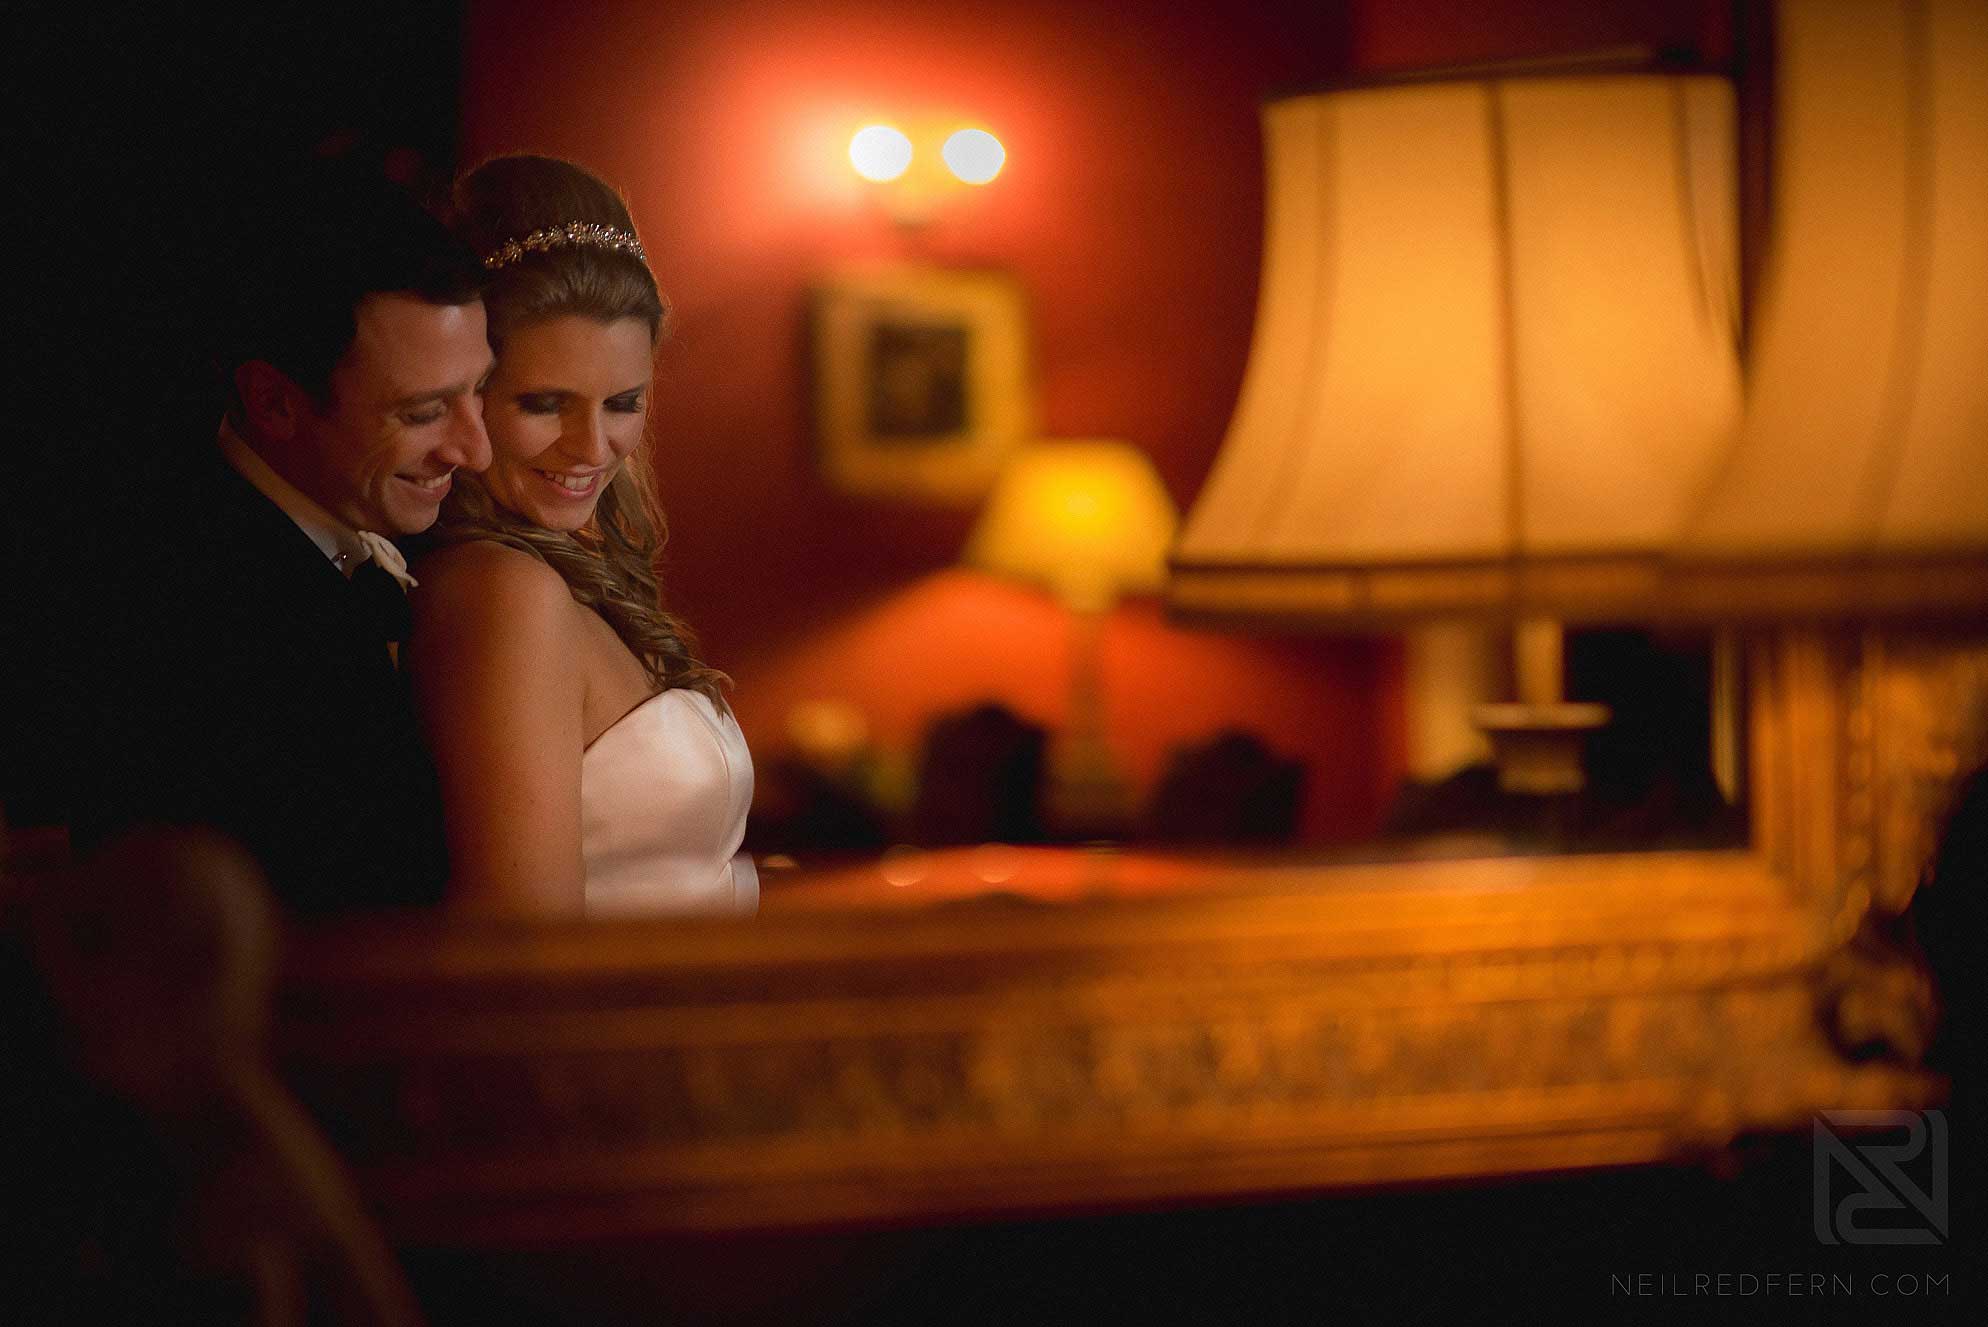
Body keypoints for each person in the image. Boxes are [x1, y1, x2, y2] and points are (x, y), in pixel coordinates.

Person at [66, 158, 495, 914]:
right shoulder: (193, 614)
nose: (475, 449)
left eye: (480, 390)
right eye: (425, 411)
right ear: (274, 401)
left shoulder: (389, 536)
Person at [409, 155, 754, 919]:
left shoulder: (557, 571)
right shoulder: (501, 592)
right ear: (466, 396)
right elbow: (524, 951)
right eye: (544, 403)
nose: (591, 446)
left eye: (623, 402)